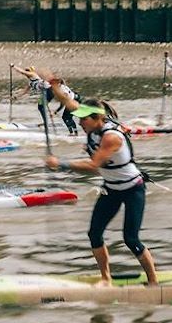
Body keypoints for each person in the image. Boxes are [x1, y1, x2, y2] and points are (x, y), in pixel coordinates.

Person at [45, 98, 158, 287]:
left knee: (131, 238)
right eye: (79, 119)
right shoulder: (93, 128)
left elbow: (93, 165)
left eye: (83, 119)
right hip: (111, 189)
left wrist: (60, 164)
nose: (79, 123)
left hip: (133, 189)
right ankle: (106, 279)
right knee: (94, 234)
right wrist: (48, 85)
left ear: (97, 118)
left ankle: (154, 283)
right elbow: (66, 99)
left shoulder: (111, 137)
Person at [13, 65, 81, 135]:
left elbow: (22, 72)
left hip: (49, 90)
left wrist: (13, 66)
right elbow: (25, 91)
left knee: (41, 106)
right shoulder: (30, 82)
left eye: (28, 71)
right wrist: (17, 97)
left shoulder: (33, 74)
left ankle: (46, 123)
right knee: (41, 107)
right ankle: (46, 122)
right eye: (26, 70)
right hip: (46, 92)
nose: (26, 73)